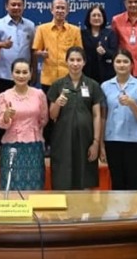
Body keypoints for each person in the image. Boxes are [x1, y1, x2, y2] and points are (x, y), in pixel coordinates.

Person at [48, 46, 104, 190]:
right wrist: (58, 104)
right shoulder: (57, 85)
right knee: (62, 178)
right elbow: (52, 115)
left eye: (79, 60)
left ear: (84, 62)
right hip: (62, 140)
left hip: (86, 139)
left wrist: (96, 142)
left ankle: (83, 212)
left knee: (85, 180)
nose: (75, 63)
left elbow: (97, 115)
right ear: (66, 62)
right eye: (72, 60)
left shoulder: (92, 85)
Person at [100, 49, 137, 190]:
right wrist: (101, 144)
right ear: (113, 64)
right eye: (118, 61)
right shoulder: (105, 86)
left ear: (132, 65)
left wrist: (131, 103)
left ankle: (134, 213)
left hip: (135, 141)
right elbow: (103, 116)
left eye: (125, 61)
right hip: (112, 140)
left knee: (134, 184)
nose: (121, 65)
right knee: (117, 184)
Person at [0, 58, 49, 190]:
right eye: (17, 72)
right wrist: (7, 116)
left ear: (31, 74)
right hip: (12, 145)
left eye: (25, 72)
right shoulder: (4, 96)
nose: (21, 76)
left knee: (34, 183)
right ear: (11, 74)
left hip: (34, 146)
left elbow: (43, 119)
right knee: (11, 183)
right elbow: (1, 124)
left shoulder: (39, 94)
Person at [33, 0, 83, 91]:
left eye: (63, 8)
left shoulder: (75, 30)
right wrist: (41, 53)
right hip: (48, 79)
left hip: (69, 77)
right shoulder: (42, 29)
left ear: (67, 11)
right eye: (57, 7)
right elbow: (35, 51)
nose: (60, 10)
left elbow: (80, 52)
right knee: (49, 105)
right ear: (52, 10)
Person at [0, 0, 36, 93]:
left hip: (24, 75)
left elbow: (32, 50)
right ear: (6, 6)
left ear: (24, 7)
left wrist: (34, 72)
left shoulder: (30, 25)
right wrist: (2, 45)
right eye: (13, 4)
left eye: (19, 5)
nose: (16, 7)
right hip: (4, 75)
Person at [81, 5, 118, 84]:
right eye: (94, 15)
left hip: (106, 75)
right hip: (87, 74)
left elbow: (115, 54)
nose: (96, 18)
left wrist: (105, 52)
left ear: (103, 17)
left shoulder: (110, 33)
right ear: (89, 18)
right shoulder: (82, 34)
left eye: (99, 15)